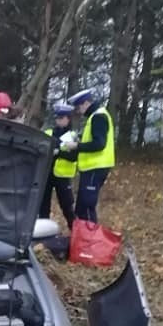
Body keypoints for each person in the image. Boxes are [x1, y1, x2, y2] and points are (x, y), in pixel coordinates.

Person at [67, 88, 115, 223]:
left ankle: (90, 240)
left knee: (87, 206)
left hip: (96, 167)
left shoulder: (98, 117)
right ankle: (82, 239)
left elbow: (99, 144)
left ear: (86, 103)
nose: (79, 111)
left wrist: (77, 146)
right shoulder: (94, 116)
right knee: (81, 208)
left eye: (79, 107)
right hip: (90, 168)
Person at [39, 101, 77, 230]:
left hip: (62, 175)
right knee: (43, 205)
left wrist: (59, 153)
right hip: (46, 174)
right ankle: (43, 233)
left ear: (68, 119)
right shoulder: (49, 132)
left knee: (67, 206)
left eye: (61, 118)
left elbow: (74, 157)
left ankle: (75, 231)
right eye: (57, 118)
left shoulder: (72, 136)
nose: (58, 121)